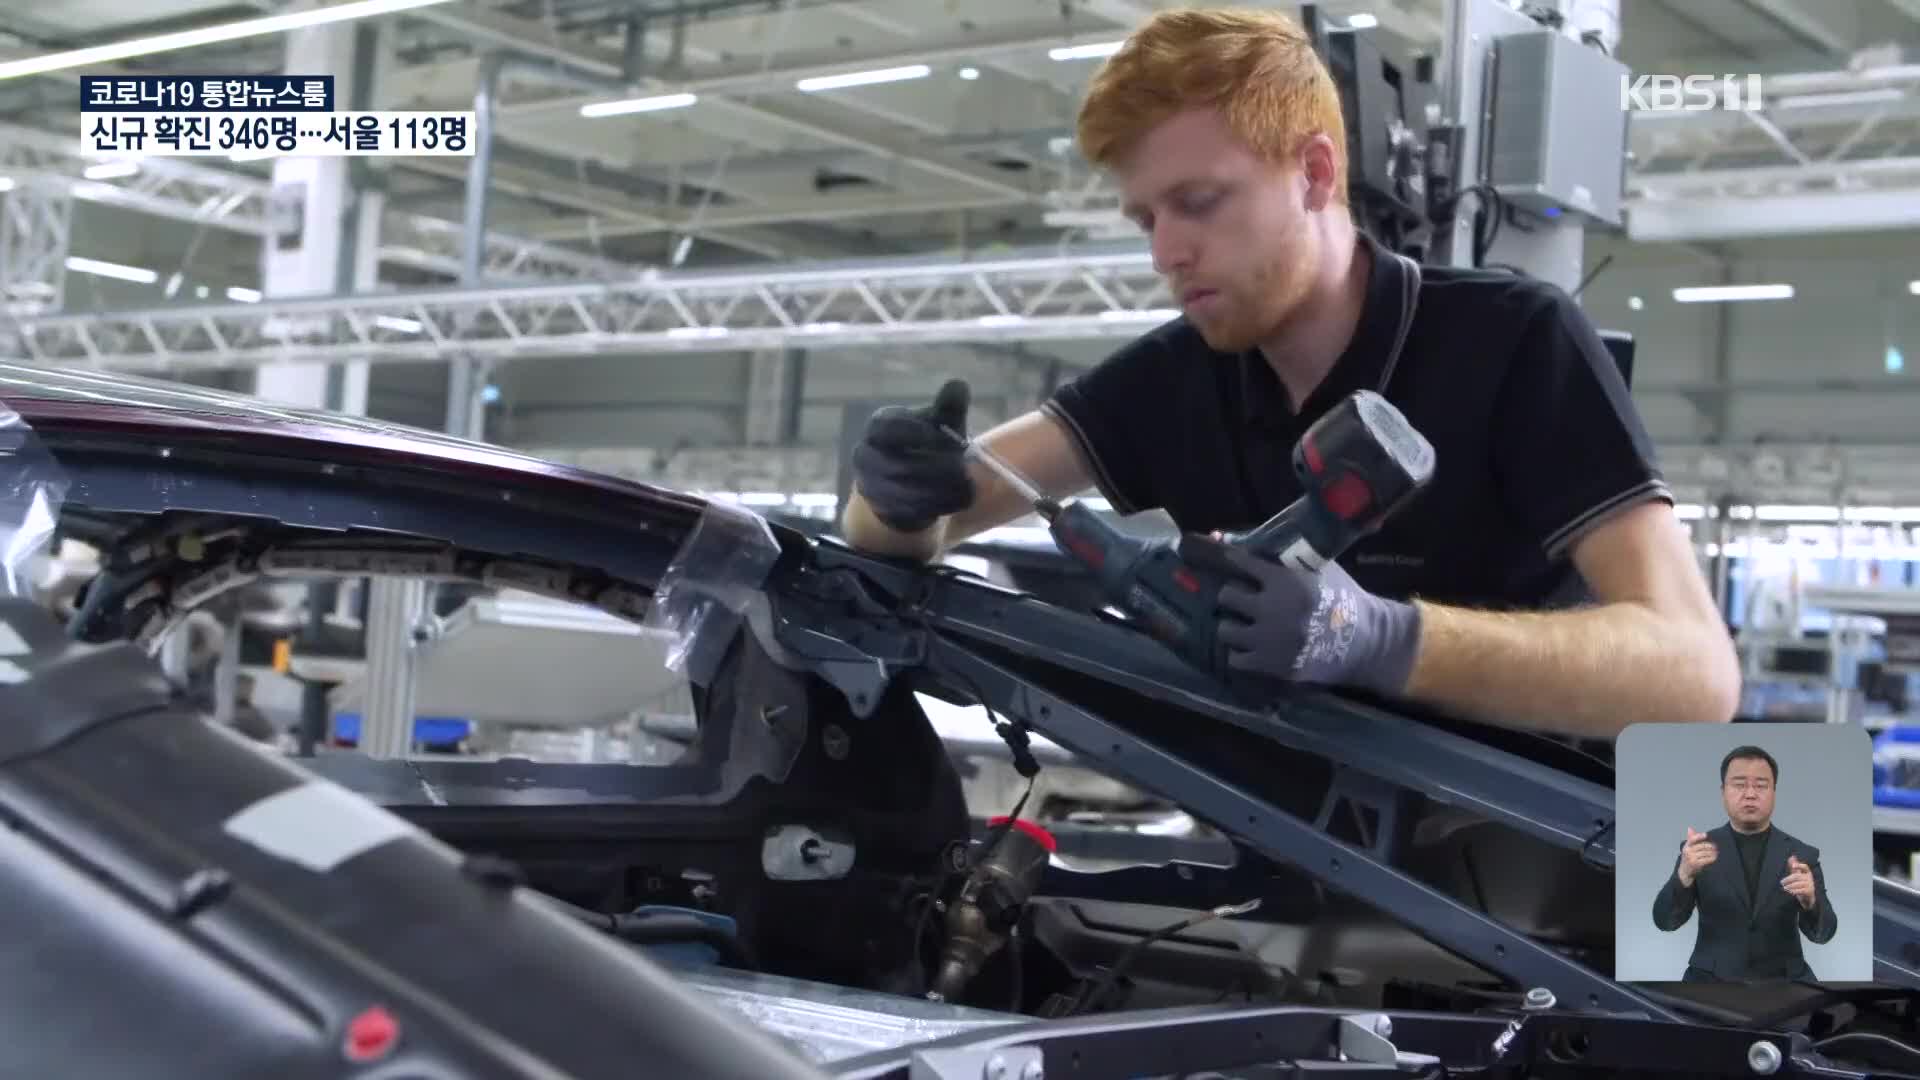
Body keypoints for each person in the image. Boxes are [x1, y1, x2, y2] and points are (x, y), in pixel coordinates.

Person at [840, 7, 1740, 740]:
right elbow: (925, 518)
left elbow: (1694, 674)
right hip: (1295, 870)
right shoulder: (1182, 375)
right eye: (1144, 216)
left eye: (1196, 202)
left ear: (1313, 173)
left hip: (1534, 891)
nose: (1165, 252)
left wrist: (1382, 639)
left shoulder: (1512, 342)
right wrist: (895, 496)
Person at [1650, 746, 1837, 982]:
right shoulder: (1697, 851)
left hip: (1786, 983)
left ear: (1774, 792)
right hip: (1711, 982)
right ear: (1723, 791)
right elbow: (1665, 922)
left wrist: (1811, 901)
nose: (1750, 794)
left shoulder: (1802, 854)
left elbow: (1824, 934)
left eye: (1761, 786)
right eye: (1739, 785)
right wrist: (1683, 876)